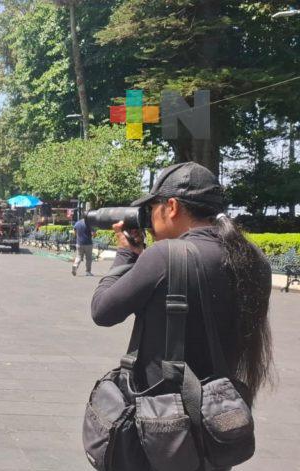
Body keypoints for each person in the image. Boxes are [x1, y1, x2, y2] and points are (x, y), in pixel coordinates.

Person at [92, 162, 273, 408]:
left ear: (172, 207)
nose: (149, 219)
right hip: (222, 412)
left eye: (152, 208)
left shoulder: (164, 256)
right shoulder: (254, 257)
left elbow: (102, 311)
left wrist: (125, 254)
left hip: (165, 413)